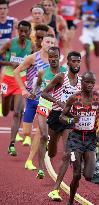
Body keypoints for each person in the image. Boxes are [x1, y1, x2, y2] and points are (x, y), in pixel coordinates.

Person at [59, 71, 99, 205]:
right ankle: (70, 201)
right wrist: (71, 121)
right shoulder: (74, 98)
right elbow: (62, 117)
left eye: (92, 82)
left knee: (88, 176)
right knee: (76, 175)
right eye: (87, 82)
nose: (90, 85)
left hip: (91, 139)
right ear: (82, 82)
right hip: (75, 139)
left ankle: (83, 161)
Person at [41, 51, 81, 200]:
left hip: (68, 121)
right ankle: (49, 146)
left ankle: (55, 189)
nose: (77, 64)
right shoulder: (60, 77)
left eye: (79, 61)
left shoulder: (81, 82)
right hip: (55, 117)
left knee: (66, 154)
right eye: (74, 61)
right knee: (52, 153)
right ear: (68, 63)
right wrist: (58, 102)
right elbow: (44, 93)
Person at [14, 34, 56, 165]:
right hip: (32, 99)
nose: (49, 44)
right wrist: (23, 89)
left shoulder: (54, 61)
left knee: (40, 130)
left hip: (45, 100)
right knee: (27, 132)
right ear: (42, 43)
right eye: (47, 42)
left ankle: (31, 159)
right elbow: (16, 71)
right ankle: (31, 139)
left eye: (52, 43)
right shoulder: (32, 58)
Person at [25, 46, 66, 176]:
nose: (53, 59)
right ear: (48, 58)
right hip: (44, 105)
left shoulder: (65, 72)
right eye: (51, 57)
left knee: (53, 138)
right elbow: (38, 83)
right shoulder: (43, 71)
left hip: (58, 109)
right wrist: (33, 92)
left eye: (55, 56)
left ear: (60, 57)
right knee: (43, 135)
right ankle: (41, 168)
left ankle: (50, 147)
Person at [0, 20, 32, 156]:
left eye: (26, 31)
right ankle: (4, 102)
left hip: (21, 80)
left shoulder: (32, 46)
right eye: (21, 31)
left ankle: (11, 144)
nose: (23, 33)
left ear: (30, 32)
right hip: (7, 78)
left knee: (18, 112)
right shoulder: (9, 43)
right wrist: (9, 62)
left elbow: (34, 62)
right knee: (6, 111)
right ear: (17, 31)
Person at [79, 0, 99, 71]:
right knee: (86, 48)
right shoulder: (82, 6)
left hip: (96, 29)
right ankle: (88, 71)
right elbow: (79, 16)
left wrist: (95, 19)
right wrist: (84, 17)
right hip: (86, 30)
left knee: (97, 54)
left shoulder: (98, 5)